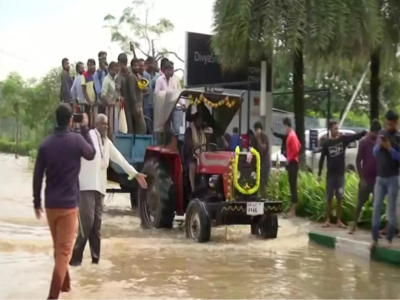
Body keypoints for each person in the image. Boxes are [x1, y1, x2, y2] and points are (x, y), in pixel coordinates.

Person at [33, 104, 95, 299]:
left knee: (60, 249)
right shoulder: (76, 140)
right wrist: (85, 128)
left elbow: (37, 176)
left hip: (51, 205)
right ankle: (52, 297)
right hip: (68, 206)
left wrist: (36, 202)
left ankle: (65, 285)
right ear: (70, 121)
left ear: (56, 119)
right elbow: (91, 154)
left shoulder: (45, 144)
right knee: (63, 252)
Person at [70, 114, 147, 266]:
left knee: (96, 226)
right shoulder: (89, 136)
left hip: (100, 188)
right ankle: (75, 260)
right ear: (96, 124)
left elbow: (120, 159)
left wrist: (135, 174)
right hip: (86, 187)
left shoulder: (107, 143)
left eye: (107, 124)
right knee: (87, 223)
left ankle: (95, 261)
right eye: (103, 124)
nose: (106, 126)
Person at [318, 120, 366, 228]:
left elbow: (354, 137)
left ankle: (339, 221)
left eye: (338, 128)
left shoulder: (342, 140)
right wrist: (319, 174)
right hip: (330, 176)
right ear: (330, 129)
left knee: (340, 197)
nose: (337, 130)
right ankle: (327, 220)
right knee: (329, 198)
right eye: (335, 128)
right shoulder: (326, 143)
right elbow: (322, 159)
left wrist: (363, 133)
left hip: (340, 175)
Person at [370, 110, 400, 249]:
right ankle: (374, 239)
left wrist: (390, 149)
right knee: (376, 207)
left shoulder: (398, 137)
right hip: (380, 178)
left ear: (395, 122)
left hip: (393, 178)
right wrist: (379, 146)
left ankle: (389, 239)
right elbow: (374, 153)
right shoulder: (381, 133)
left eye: (391, 123)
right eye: (387, 123)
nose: (388, 125)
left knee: (391, 208)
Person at [349, 119, 381, 234]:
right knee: (360, 203)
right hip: (366, 179)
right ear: (371, 131)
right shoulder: (363, 142)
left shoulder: (379, 142)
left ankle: (375, 229)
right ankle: (354, 225)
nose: (376, 136)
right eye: (375, 133)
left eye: (378, 133)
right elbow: (358, 161)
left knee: (376, 205)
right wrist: (362, 178)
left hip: (377, 178)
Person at [155, 61, 183, 135]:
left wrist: (183, 104)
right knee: (165, 129)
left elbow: (178, 94)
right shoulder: (160, 80)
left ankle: (178, 144)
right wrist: (167, 94)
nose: (170, 72)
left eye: (172, 70)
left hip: (173, 107)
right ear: (164, 70)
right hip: (163, 108)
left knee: (176, 129)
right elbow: (156, 94)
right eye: (169, 70)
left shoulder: (175, 81)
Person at [184, 112, 206, 193]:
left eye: (202, 120)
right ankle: (193, 189)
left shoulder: (202, 132)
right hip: (191, 155)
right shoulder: (189, 131)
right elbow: (188, 143)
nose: (201, 122)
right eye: (199, 120)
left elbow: (206, 143)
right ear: (195, 120)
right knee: (192, 166)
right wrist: (194, 146)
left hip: (202, 155)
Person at [284, 118, 301, 218]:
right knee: (292, 185)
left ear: (286, 125)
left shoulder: (291, 136)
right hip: (293, 162)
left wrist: (289, 159)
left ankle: (293, 210)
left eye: (284, 126)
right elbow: (299, 145)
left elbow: (296, 149)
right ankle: (292, 208)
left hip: (293, 163)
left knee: (293, 186)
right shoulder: (293, 134)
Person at [126, 58, 146, 134]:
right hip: (136, 105)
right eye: (135, 66)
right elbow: (132, 92)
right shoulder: (131, 76)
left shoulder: (137, 76)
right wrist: (136, 105)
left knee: (139, 127)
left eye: (138, 65)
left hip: (139, 104)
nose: (137, 67)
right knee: (142, 126)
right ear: (131, 66)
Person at [101, 61, 119, 137]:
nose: (115, 72)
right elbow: (103, 94)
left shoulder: (115, 79)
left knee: (116, 127)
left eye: (116, 70)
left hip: (116, 106)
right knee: (110, 128)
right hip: (109, 108)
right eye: (114, 70)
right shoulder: (106, 79)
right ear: (109, 70)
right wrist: (110, 102)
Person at [253, 122, 271, 198]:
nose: (256, 131)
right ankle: (259, 197)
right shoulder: (255, 138)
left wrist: (258, 139)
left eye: (257, 129)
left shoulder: (264, 137)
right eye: (255, 130)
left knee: (264, 183)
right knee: (257, 182)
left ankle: (265, 198)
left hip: (265, 163)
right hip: (258, 163)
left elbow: (263, 148)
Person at [114, 53, 129, 134]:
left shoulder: (130, 73)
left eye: (125, 63)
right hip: (121, 103)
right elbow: (117, 90)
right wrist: (120, 98)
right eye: (122, 63)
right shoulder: (118, 77)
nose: (124, 65)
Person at [139, 58, 153, 133]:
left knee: (148, 123)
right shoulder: (135, 75)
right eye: (140, 65)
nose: (141, 67)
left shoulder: (147, 75)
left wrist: (142, 89)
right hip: (138, 104)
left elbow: (149, 89)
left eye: (142, 65)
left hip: (146, 103)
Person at [82, 59, 97, 126]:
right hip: (88, 104)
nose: (90, 67)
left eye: (91, 65)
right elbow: (84, 90)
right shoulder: (84, 75)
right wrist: (89, 101)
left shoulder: (97, 74)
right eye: (88, 65)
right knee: (89, 122)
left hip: (97, 103)